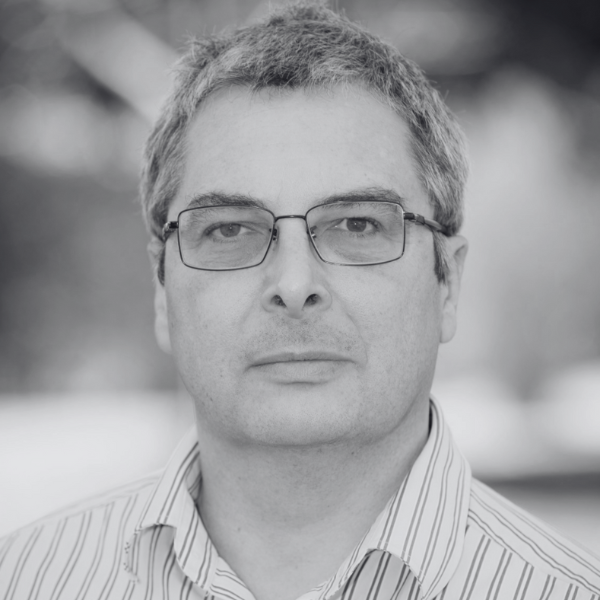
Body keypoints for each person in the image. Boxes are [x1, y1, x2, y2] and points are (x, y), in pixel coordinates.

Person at [1, 2, 599, 599]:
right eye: (230, 229)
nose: (293, 283)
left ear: (448, 283)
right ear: (163, 292)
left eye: (358, 225)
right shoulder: (24, 579)